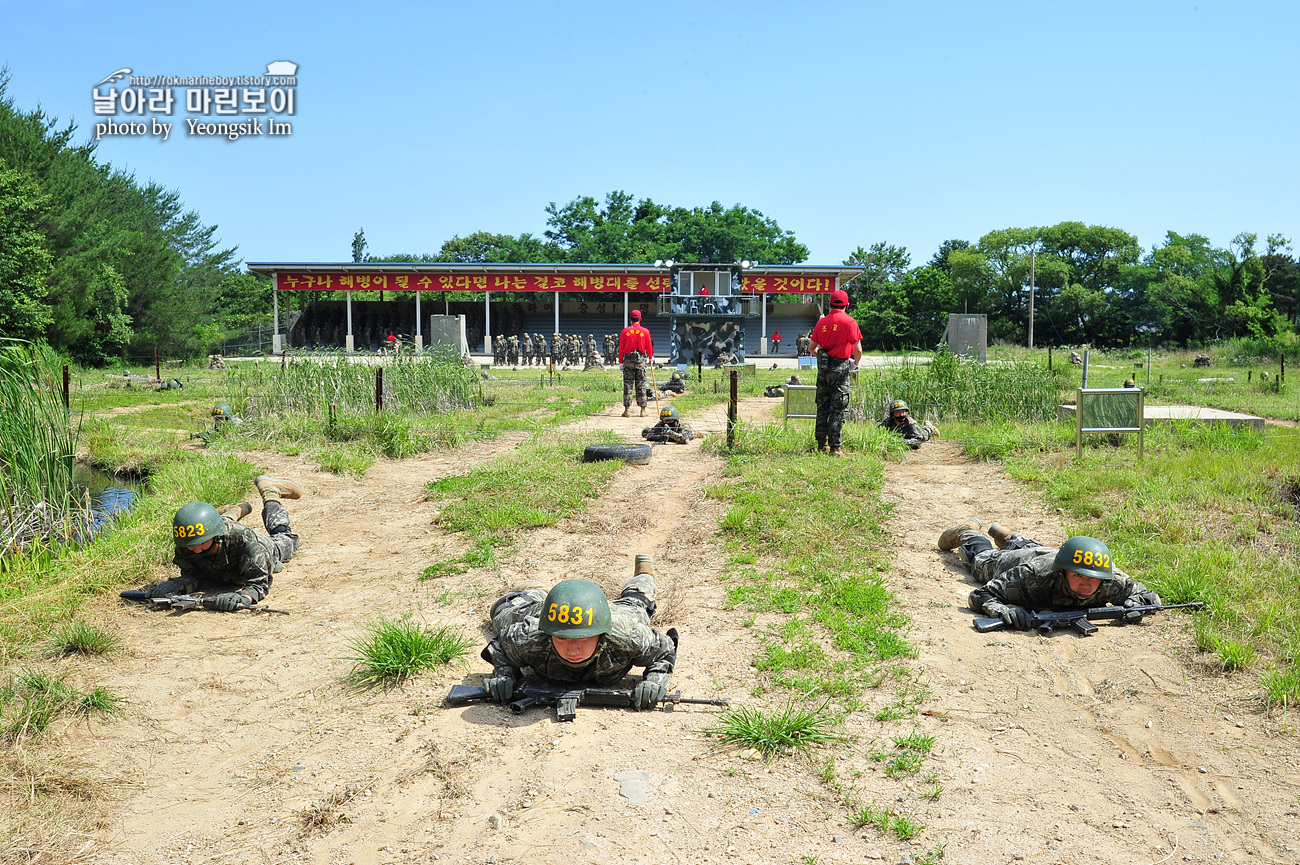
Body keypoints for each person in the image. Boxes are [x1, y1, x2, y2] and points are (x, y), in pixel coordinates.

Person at [480, 557, 677, 709]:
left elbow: (664, 649)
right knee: (501, 611)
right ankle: (535, 592)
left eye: (583, 639)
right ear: (549, 635)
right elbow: (499, 646)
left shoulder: (628, 635)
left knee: (636, 603)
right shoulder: (531, 635)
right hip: (552, 614)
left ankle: (644, 574)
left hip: (612, 616)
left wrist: (654, 681)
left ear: (601, 637)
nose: (572, 649)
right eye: (562, 639)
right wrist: (505, 675)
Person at [937, 519, 1162, 630]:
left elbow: (1147, 596)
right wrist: (1005, 610)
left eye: (1093, 578)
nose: (1086, 584)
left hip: (1053, 554)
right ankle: (968, 532)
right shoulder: (1031, 577)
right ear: (1062, 572)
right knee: (981, 562)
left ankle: (1009, 538)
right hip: (1026, 560)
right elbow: (980, 595)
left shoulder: (1110, 580)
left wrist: (1135, 606)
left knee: (1044, 549)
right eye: (1078, 576)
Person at [143, 476, 305, 611]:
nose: (196, 550)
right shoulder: (188, 542)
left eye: (201, 543)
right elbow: (197, 577)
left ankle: (270, 491)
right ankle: (233, 512)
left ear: (215, 536)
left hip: (264, 546)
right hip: (220, 529)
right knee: (219, 524)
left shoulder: (245, 541)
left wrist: (244, 598)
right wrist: (177, 584)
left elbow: (258, 584)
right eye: (191, 545)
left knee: (285, 537)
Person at [809, 289, 862, 456]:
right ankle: (835, 448)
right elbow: (858, 350)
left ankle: (820, 445)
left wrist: (824, 359)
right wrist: (854, 364)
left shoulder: (821, 323)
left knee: (822, 407)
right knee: (838, 407)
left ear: (830, 304)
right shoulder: (850, 322)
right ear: (847, 305)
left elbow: (812, 348)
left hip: (823, 370)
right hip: (840, 369)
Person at [618, 309, 654, 418]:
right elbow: (649, 346)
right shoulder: (645, 331)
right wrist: (651, 357)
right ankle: (642, 410)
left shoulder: (625, 331)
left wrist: (620, 362)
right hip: (640, 361)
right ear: (640, 319)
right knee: (641, 385)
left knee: (628, 385)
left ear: (630, 319)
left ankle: (627, 410)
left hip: (628, 361)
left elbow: (621, 348)